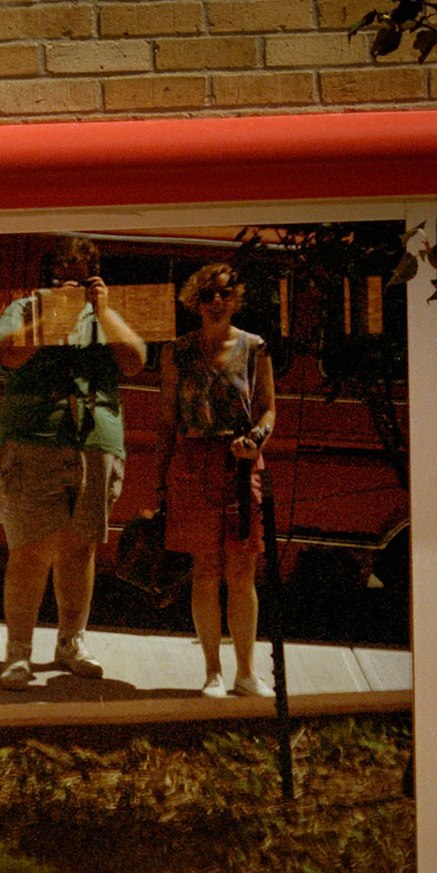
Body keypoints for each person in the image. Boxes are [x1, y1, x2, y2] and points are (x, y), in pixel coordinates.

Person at [0, 237, 148, 689]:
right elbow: (10, 355)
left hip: (95, 443)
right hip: (32, 442)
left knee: (80, 551)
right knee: (30, 552)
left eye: (84, 272)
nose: (73, 280)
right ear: (50, 273)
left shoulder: (108, 313)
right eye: (65, 272)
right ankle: (19, 653)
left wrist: (102, 310)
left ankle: (71, 643)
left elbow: (135, 362)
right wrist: (54, 315)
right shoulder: (23, 309)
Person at [151, 262, 278, 698]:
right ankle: (213, 673)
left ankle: (246, 672)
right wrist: (160, 478)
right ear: (195, 302)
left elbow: (267, 408)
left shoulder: (255, 348)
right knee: (204, 571)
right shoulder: (176, 352)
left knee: (242, 570)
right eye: (207, 295)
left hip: (241, 464)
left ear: (236, 298)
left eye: (224, 293)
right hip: (191, 462)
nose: (216, 302)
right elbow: (167, 419)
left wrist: (257, 439)